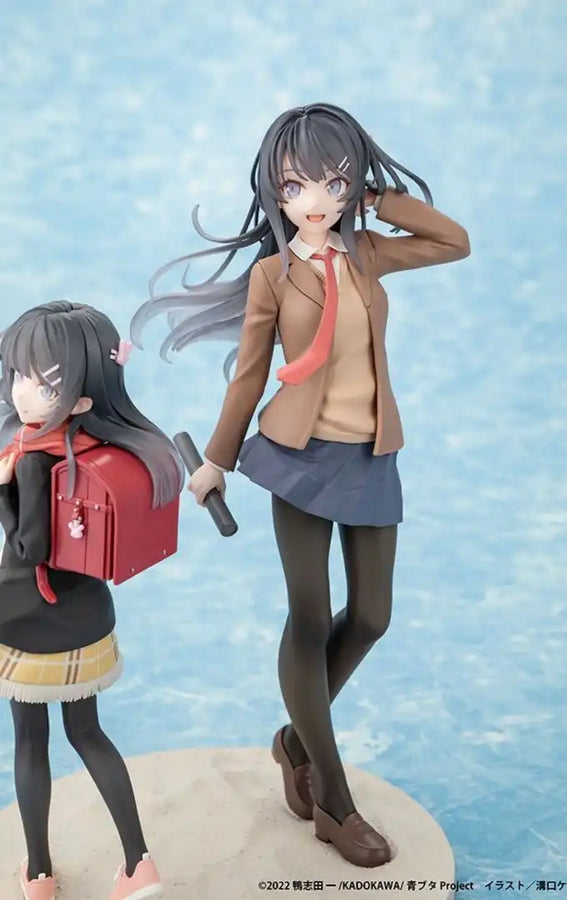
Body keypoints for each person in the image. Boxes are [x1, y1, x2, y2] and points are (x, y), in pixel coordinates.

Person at [131, 103, 470, 867]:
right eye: (296, 184)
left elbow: (454, 241)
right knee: (311, 616)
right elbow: (251, 374)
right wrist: (217, 459)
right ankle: (333, 801)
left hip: (371, 452)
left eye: (334, 181)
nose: (315, 199)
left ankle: (293, 741)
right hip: (300, 455)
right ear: (274, 191)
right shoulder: (273, 275)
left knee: (372, 615)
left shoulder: (367, 253)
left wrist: (378, 197)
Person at [0, 301, 183, 899]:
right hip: (86, 618)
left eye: (44, 382)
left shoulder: (32, 461)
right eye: (18, 374)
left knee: (31, 742)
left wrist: (4, 493)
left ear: (80, 397)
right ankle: (138, 863)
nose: (22, 392)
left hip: (26, 619)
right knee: (89, 734)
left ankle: (39, 874)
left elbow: (28, 549)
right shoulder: (98, 446)